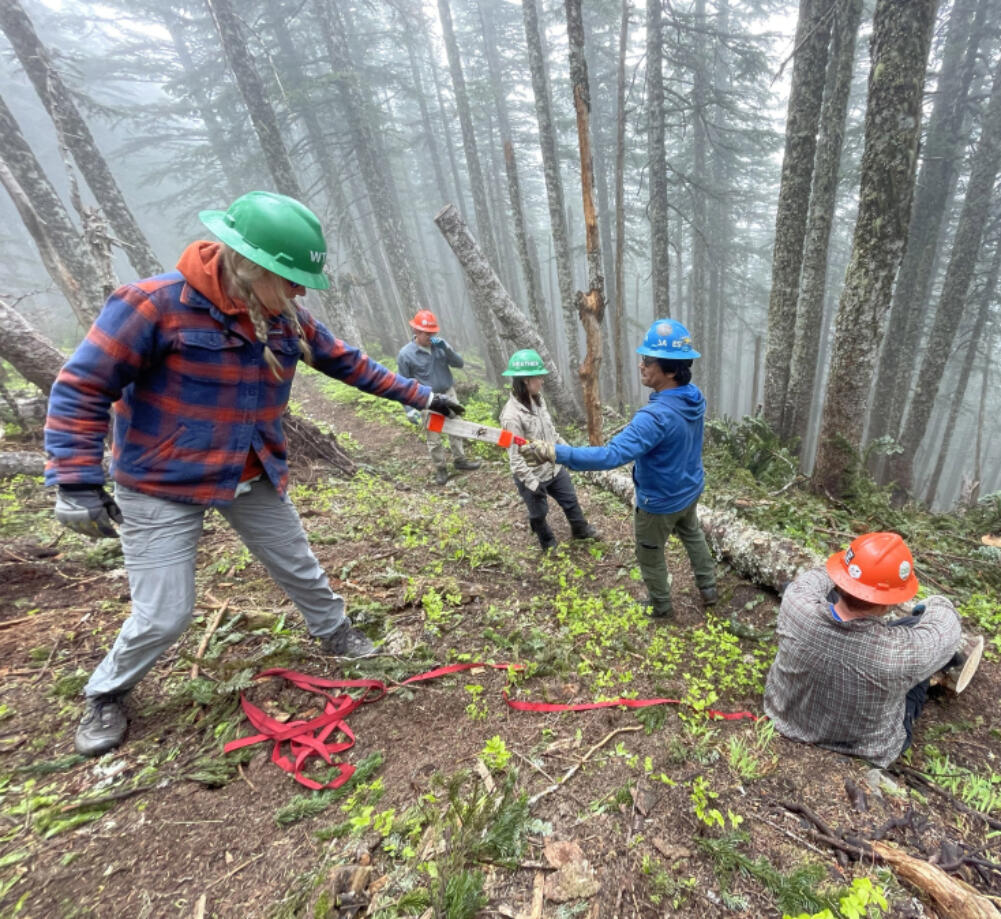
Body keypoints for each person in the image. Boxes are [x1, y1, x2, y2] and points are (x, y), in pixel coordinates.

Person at [44, 190, 465, 757]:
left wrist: (425, 397)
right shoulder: (152, 305)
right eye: (290, 278)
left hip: (250, 470)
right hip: (161, 483)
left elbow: (349, 363)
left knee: (299, 563)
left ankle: (336, 633)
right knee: (165, 613)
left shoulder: (285, 317)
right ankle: (106, 691)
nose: (299, 291)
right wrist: (75, 478)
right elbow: (83, 385)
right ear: (251, 265)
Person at [520, 319, 717, 618]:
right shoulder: (694, 397)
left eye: (648, 360)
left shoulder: (654, 417)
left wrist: (553, 452)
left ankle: (661, 607)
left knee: (650, 554)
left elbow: (610, 456)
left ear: (671, 370)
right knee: (692, 534)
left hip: (660, 502)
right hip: (690, 489)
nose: (641, 365)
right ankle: (709, 588)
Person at [763, 532, 981, 767]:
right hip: (867, 747)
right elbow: (947, 626)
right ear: (889, 602)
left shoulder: (796, 603)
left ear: (841, 582)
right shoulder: (901, 654)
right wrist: (933, 602)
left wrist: (853, 569)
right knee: (914, 635)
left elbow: (817, 576)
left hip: (783, 715)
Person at [499, 349, 597, 551]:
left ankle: (580, 530)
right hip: (531, 475)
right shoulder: (511, 416)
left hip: (553, 466)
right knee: (538, 513)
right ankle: (548, 544)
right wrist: (533, 484)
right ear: (526, 380)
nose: (542, 381)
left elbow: (551, 433)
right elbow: (515, 459)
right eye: (538, 377)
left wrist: (570, 453)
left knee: (570, 500)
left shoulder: (538, 400)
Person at [397, 310, 480, 485]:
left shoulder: (441, 346)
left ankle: (460, 460)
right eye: (427, 333)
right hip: (427, 399)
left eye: (433, 332)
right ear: (416, 332)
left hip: (448, 393)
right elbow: (402, 384)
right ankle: (441, 468)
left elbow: (459, 363)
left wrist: (447, 349)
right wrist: (409, 409)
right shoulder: (406, 354)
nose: (430, 336)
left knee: (456, 428)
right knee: (434, 437)